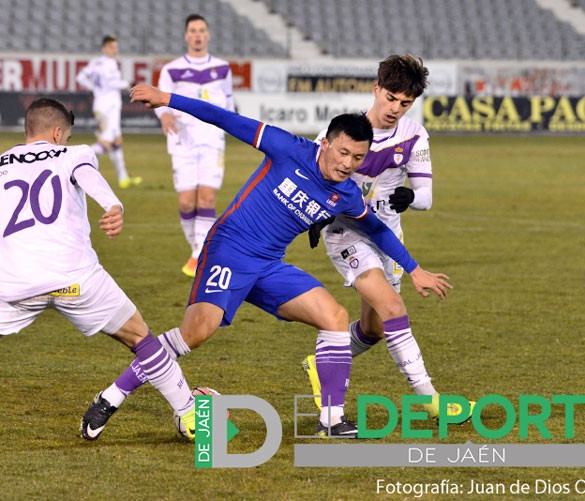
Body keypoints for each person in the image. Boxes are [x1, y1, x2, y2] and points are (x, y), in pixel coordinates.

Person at [78, 84, 452, 440]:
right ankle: (112, 395)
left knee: (334, 318)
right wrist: (166, 98)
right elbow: (224, 117)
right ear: (325, 143)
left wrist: (415, 269)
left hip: (269, 265)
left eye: (357, 158)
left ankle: (331, 419)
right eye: (342, 153)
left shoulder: (347, 195)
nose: (347, 164)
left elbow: (378, 231)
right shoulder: (287, 147)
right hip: (229, 249)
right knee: (196, 332)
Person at [0, 98, 195, 458]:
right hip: (75, 279)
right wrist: (113, 206)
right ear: (59, 132)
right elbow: (90, 180)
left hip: (13, 285)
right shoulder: (73, 154)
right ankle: (188, 416)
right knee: (141, 338)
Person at [301, 54, 476, 421]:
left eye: (405, 103)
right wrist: (316, 216)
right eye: (391, 98)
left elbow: (425, 198)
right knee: (395, 308)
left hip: (388, 237)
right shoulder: (345, 132)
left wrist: (410, 197)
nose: (395, 108)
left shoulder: (414, 135)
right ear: (376, 89)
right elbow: (311, 180)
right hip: (347, 233)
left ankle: (322, 363)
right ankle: (432, 400)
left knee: (375, 328)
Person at [154, 14, 235, 278]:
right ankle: (196, 247)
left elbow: (229, 104)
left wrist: (231, 127)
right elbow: (159, 101)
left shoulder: (223, 68)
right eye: (193, 30)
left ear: (208, 35)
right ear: (186, 35)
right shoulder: (172, 70)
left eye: (202, 30)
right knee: (187, 202)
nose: (198, 35)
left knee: (208, 198)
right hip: (182, 141)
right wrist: (163, 115)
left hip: (212, 141)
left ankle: (199, 253)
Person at [76, 34, 142, 189]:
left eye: (116, 47)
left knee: (116, 142)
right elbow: (111, 82)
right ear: (104, 48)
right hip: (109, 107)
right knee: (106, 143)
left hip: (102, 104)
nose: (115, 50)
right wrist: (128, 83)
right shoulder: (110, 64)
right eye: (112, 47)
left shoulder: (94, 63)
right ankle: (75, 159)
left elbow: (80, 78)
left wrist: (94, 88)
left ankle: (123, 178)